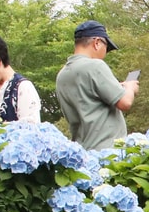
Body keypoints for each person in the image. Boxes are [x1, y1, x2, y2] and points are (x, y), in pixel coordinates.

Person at [56, 20, 137, 150]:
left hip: (82, 153)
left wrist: (117, 88)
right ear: (97, 42)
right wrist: (130, 87)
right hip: (107, 153)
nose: (105, 53)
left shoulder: (62, 74)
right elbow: (125, 102)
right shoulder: (95, 66)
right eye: (107, 47)